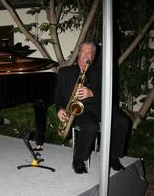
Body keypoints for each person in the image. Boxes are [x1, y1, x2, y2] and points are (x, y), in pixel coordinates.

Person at [54, 42, 130, 174]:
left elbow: (110, 94)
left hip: (99, 105)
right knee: (91, 126)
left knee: (123, 122)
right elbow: (58, 94)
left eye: (89, 53)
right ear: (78, 53)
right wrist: (60, 108)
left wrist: (92, 93)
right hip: (78, 110)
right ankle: (79, 159)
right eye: (83, 52)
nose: (86, 55)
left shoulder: (102, 72)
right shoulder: (64, 72)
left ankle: (113, 156)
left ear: (93, 57)